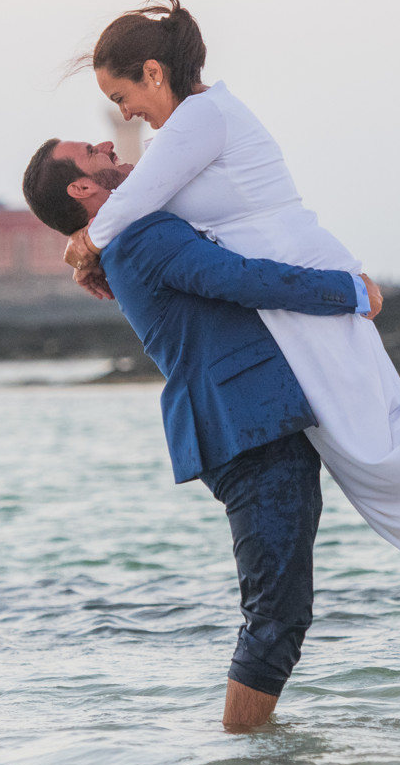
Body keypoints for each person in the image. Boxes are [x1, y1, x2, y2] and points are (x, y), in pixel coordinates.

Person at [62, 0, 400, 591]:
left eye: (122, 96)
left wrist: (84, 243)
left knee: (379, 445)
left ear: (153, 72)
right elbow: (149, 218)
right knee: (377, 439)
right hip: (292, 294)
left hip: (304, 285)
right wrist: (99, 252)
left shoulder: (201, 118)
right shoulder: (190, 128)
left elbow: (131, 205)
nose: (126, 113)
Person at [21, 136, 381, 730]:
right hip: (248, 429)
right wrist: (347, 291)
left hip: (251, 423)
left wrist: (83, 242)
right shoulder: (141, 237)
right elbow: (238, 278)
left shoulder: (127, 234)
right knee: (277, 615)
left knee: (278, 611)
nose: (110, 142)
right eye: (93, 151)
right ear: (82, 189)